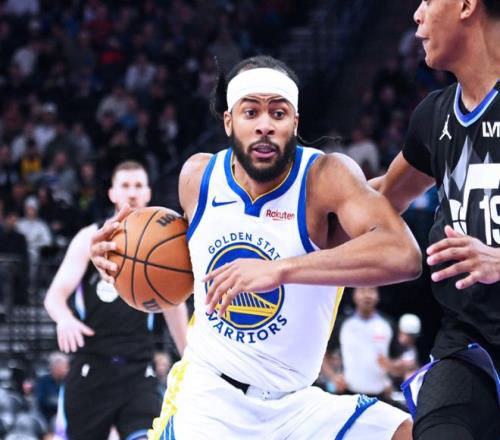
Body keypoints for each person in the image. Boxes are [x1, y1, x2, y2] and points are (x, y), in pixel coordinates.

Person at [90, 56, 422, 439]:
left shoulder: (325, 176)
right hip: (211, 398)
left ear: (294, 123)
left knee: (409, 432)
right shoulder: (198, 178)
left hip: (298, 406)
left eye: (278, 113)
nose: (265, 125)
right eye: (251, 112)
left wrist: (279, 269)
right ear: (229, 121)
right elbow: (168, 261)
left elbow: (403, 254)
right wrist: (117, 256)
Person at [371, 1, 500, 438]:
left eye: (428, 0)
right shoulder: (434, 115)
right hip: (468, 346)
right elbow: (380, 199)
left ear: (465, 5)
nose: (417, 14)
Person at [44, 160, 189, 440]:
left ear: (148, 193)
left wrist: (189, 356)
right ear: (112, 193)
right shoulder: (90, 237)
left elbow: (173, 303)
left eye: (138, 185)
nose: (131, 193)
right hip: (92, 365)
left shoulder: (164, 241)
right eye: (125, 185)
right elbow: (54, 296)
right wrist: (64, 319)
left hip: (139, 368)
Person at [339, 287, 394, 400]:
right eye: (362, 291)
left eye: (372, 291)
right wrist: (333, 377)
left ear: (378, 296)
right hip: (348, 392)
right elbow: (325, 353)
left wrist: (392, 369)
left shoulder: (388, 324)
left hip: (380, 394)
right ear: (354, 295)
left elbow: (397, 358)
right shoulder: (342, 323)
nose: (367, 295)